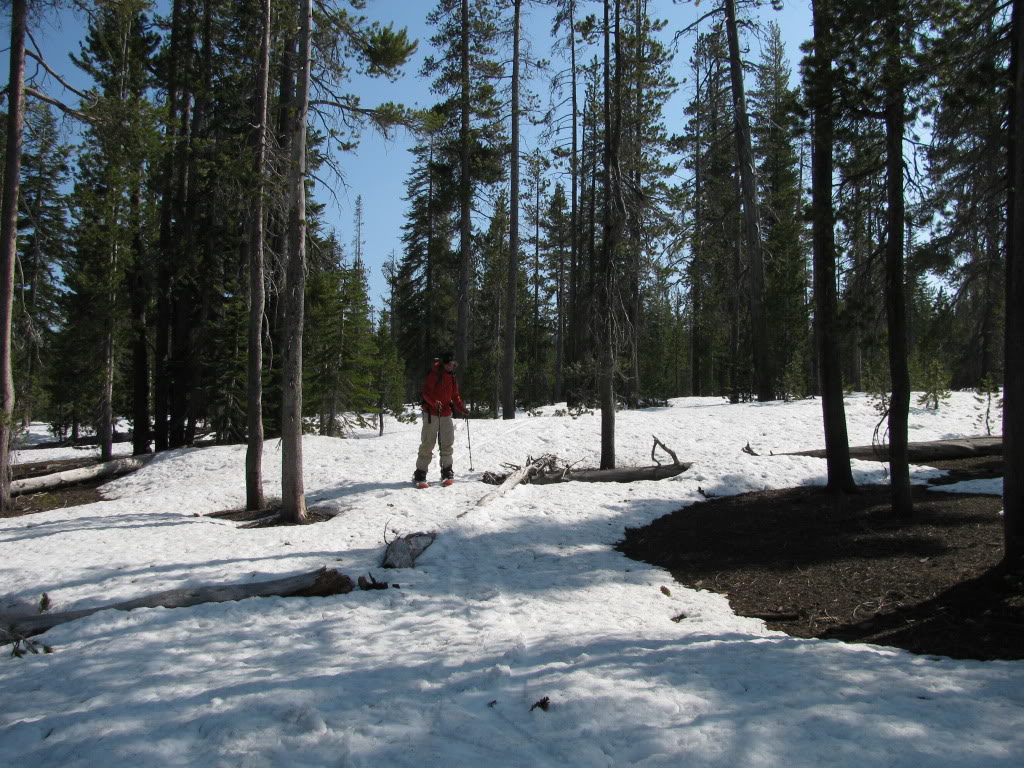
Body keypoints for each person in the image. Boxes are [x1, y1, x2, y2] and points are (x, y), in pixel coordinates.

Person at [413, 351, 466, 487]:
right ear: (444, 364)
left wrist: (462, 408)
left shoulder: (452, 377)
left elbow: (455, 396)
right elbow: (425, 393)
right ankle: (420, 473)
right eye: (449, 364)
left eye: (453, 364)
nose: (451, 366)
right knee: (428, 443)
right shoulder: (434, 374)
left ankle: (447, 472)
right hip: (431, 414)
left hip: (446, 414)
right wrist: (433, 402)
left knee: (447, 443)